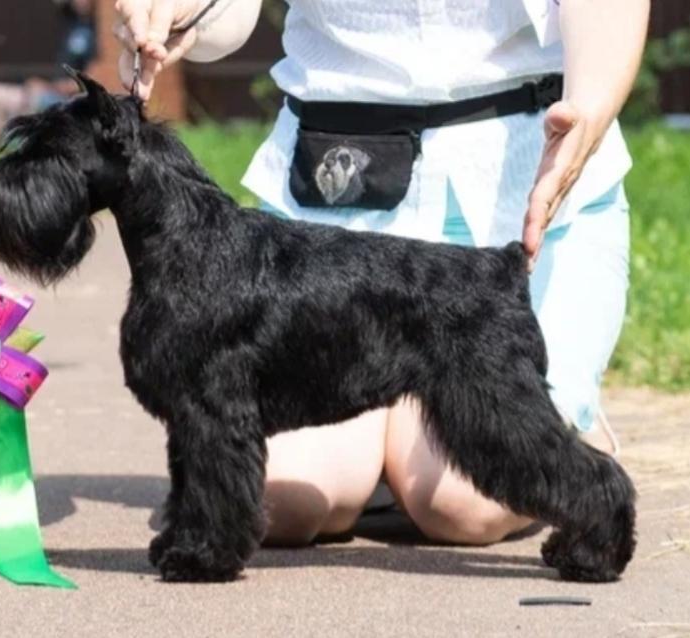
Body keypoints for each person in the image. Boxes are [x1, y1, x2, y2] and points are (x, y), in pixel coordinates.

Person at [113, 0, 649, 546]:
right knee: (284, 498)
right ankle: (387, 454)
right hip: (332, 197)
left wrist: (589, 107)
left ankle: (571, 445)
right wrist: (173, 8)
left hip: (528, 185)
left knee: (464, 506)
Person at [0, 0, 98, 137]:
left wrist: (48, 87)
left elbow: (90, 82)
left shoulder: (98, 31)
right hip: (49, 91)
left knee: (36, 101)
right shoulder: (71, 23)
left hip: (67, 100)